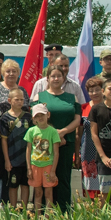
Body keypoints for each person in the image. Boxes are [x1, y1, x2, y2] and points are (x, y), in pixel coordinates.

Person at [36, 66, 81, 211]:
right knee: (45, 177)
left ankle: (64, 210)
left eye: (59, 76)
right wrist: (53, 134)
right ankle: (44, 211)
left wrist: (63, 132)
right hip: (45, 144)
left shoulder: (71, 97)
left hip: (66, 142)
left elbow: (77, 119)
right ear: (47, 78)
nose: (56, 79)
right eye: (53, 76)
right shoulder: (40, 97)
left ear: (63, 78)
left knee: (63, 177)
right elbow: (36, 118)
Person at [24, 103, 61, 214]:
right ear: (33, 118)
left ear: (48, 115)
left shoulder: (53, 131)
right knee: (38, 192)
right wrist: (29, 168)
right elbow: (28, 150)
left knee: (48, 193)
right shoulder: (31, 131)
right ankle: (38, 216)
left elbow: (56, 152)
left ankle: (48, 218)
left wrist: (53, 171)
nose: (40, 118)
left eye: (42, 115)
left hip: (48, 166)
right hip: (35, 165)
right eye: (37, 116)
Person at [0, 87, 33, 209]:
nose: (20, 102)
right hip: (12, 158)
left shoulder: (28, 117)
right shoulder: (5, 118)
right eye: (17, 99)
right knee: (13, 185)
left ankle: (23, 209)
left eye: (22, 99)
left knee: (25, 184)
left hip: (26, 157)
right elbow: (3, 139)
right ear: (10, 100)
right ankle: (13, 208)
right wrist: (7, 160)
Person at [79, 76, 105, 201]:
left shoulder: (108, 107)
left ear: (103, 90)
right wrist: (76, 152)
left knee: (104, 184)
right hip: (87, 150)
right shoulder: (83, 108)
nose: (94, 93)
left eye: (97, 89)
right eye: (91, 90)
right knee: (89, 184)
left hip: (105, 150)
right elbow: (79, 133)